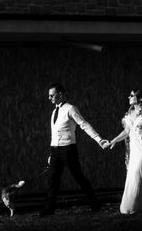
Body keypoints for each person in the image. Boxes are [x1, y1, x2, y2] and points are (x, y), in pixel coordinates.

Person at [40, 83, 109, 216]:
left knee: (78, 177)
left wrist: (99, 139)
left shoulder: (70, 108)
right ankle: (49, 209)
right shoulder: (54, 111)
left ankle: (95, 203)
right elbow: (54, 133)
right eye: (49, 95)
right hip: (55, 150)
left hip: (68, 149)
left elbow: (84, 125)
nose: (49, 98)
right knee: (52, 179)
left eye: (52, 95)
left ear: (60, 94)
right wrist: (51, 153)